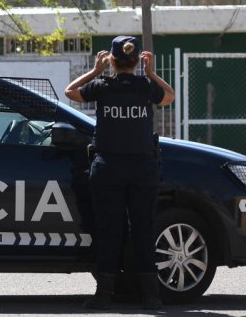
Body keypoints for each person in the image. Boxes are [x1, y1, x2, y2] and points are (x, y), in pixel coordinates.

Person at [66, 36, 175, 310]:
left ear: (111, 61)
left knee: (109, 231)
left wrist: (95, 71)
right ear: (137, 61)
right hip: (143, 169)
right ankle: (152, 297)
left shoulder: (103, 86)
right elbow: (170, 97)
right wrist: (151, 73)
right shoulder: (145, 87)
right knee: (143, 230)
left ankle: (104, 295)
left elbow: (70, 92)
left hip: (108, 170)